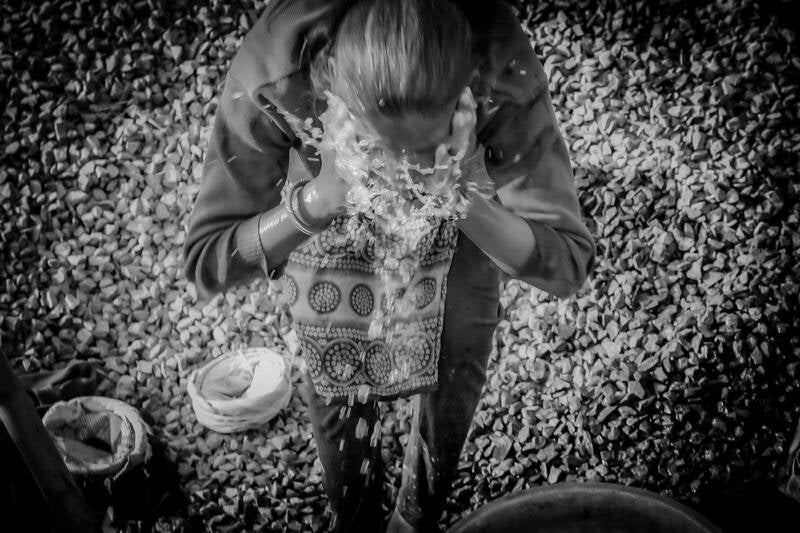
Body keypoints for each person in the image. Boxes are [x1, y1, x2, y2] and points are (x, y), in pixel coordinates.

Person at [182, 0, 596, 531]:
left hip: (459, 196)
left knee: (458, 349)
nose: (401, 179)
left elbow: (566, 263)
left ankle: (415, 516)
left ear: (465, 101)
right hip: (328, 201)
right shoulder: (275, 75)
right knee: (337, 373)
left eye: (422, 149)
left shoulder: (498, 69)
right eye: (376, 149)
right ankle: (354, 519)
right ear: (329, 98)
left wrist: (461, 191)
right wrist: (320, 199)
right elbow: (208, 260)